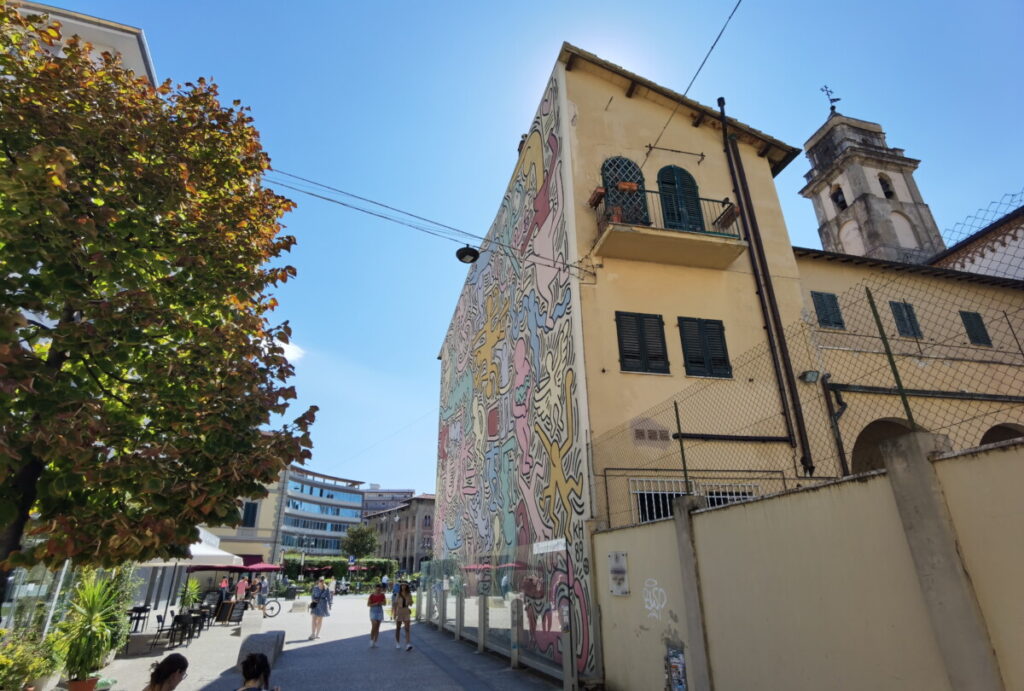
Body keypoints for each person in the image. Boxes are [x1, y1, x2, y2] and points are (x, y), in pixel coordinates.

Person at [393, 582, 414, 651]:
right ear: (401, 586)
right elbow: (395, 604)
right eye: (402, 585)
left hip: (406, 611)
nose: (403, 586)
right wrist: (394, 613)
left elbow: (411, 603)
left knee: (407, 628)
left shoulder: (409, 594)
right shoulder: (398, 594)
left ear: (406, 586)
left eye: (405, 585)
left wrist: (410, 602)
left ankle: (408, 644)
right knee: (398, 628)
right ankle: (397, 643)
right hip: (399, 611)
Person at [366, 583, 386, 648]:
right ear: (375, 589)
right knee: (374, 624)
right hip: (373, 610)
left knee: (377, 627)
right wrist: (375, 603)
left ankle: (375, 641)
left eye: (379, 589)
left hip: (379, 610)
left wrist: (381, 603)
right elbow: (368, 604)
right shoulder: (372, 595)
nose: (378, 590)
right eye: (377, 589)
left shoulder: (382, 595)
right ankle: (371, 639)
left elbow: (385, 603)